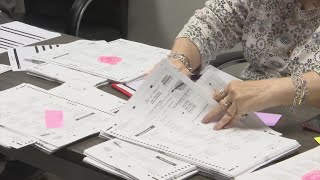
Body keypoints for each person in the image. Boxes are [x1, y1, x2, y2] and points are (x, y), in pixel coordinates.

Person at [168, 0, 320, 130]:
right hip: (252, 114)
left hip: (308, 124)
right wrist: (180, 60)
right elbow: (211, 21)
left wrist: (269, 90)